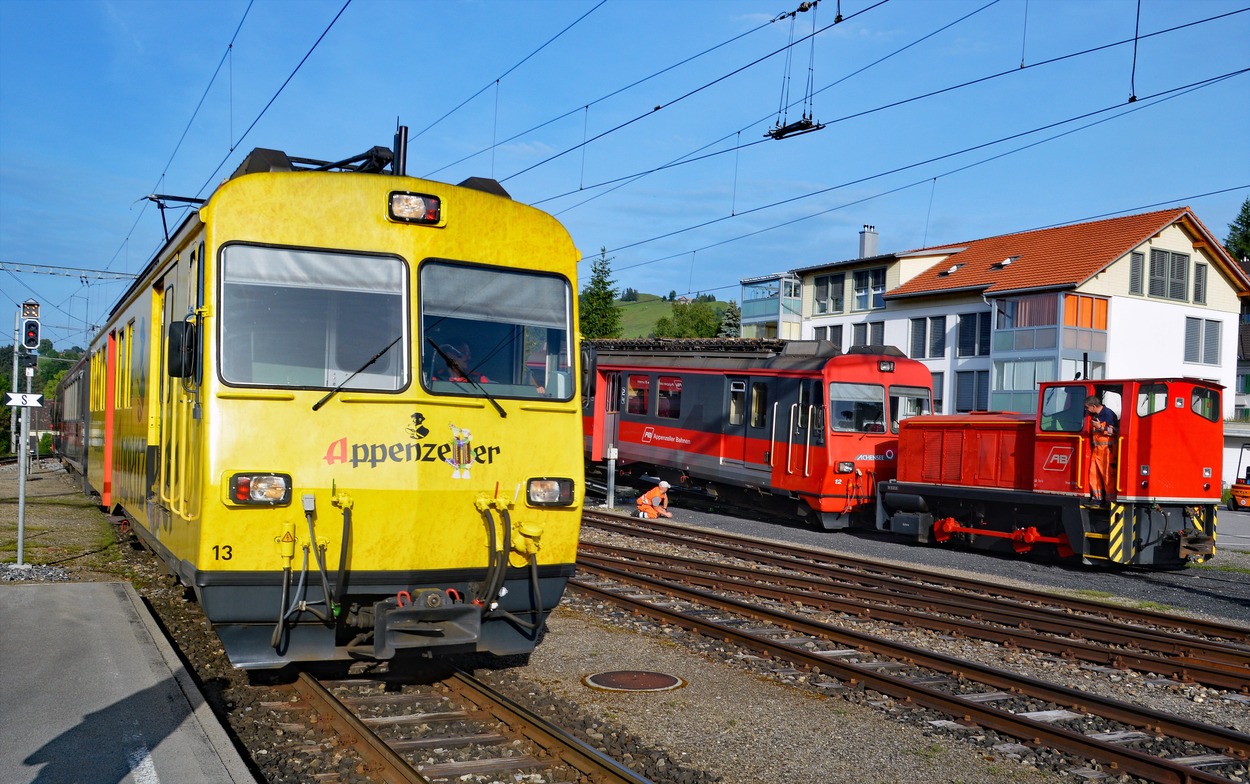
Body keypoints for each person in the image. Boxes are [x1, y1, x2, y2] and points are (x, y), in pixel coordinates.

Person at [1084, 395, 1119, 504]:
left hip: (1108, 450)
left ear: (1093, 406)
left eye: (1087, 407)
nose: (1086, 410)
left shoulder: (1108, 414)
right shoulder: (1095, 415)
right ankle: (1097, 498)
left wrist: (1100, 427)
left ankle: (1110, 500)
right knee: (1094, 474)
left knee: (1108, 475)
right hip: (1097, 449)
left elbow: (1114, 431)